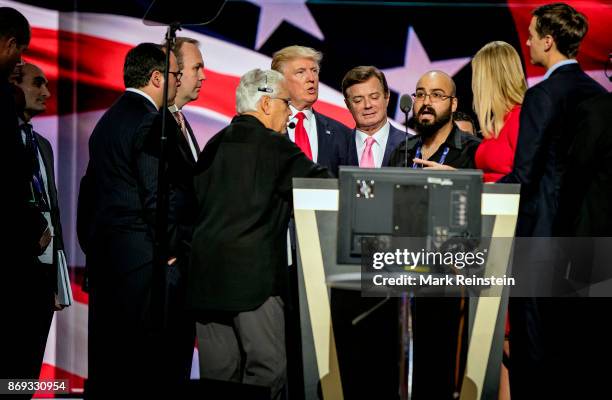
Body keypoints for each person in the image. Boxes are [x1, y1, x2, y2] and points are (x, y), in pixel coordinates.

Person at [188, 68, 329, 399]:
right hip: (254, 283)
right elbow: (321, 185)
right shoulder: (274, 146)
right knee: (267, 371)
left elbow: (191, 205)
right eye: (285, 105)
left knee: (218, 378)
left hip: (206, 282)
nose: (289, 117)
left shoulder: (213, 144)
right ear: (266, 104)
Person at [496, 3, 606, 398]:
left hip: (542, 239)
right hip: (591, 239)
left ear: (548, 40)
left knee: (534, 353)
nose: (525, 41)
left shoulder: (543, 95)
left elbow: (524, 175)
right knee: (581, 356)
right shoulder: (599, 95)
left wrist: (477, 192)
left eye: (530, 34)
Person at [78, 43, 190, 397]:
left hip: (110, 262)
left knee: (113, 369)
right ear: (157, 78)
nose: (179, 81)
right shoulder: (150, 121)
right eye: (175, 75)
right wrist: (171, 249)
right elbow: (157, 194)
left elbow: (89, 195)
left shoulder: (108, 119)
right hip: (146, 268)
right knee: (150, 371)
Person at [470, 40, 527, 400]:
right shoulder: (496, 126)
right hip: (491, 237)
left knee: (511, 338)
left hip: (516, 239)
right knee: (498, 342)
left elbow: (525, 177)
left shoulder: (522, 118)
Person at [0, 7, 55, 381]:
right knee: (9, 373)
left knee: (26, 377)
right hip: (12, 269)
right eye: (36, 82)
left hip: (40, 274)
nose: (46, 92)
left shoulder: (43, 146)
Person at [271, 45, 351, 177]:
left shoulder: (342, 134)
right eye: (301, 72)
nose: (311, 78)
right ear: (280, 82)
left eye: (314, 71)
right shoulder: (265, 129)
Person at [389, 70, 480, 169]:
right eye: (420, 95)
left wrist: (457, 179)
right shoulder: (402, 150)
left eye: (436, 95)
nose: (426, 102)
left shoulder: (474, 150)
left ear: (453, 104)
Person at [473, 41, 526, 183]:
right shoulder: (496, 122)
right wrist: (457, 175)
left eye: (476, 75)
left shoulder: (520, 118)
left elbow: (527, 175)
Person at [342, 66, 405, 168]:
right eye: (358, 100)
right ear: (348, 105)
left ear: (387, 97)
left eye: (374, 97)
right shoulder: (338, 146)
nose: (367, 105)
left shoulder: (411, 145)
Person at [168, 36, 205, 162]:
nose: (203, 76)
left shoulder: (180, 119)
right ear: (175, 69)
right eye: (196, 68)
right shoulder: (155, 122)